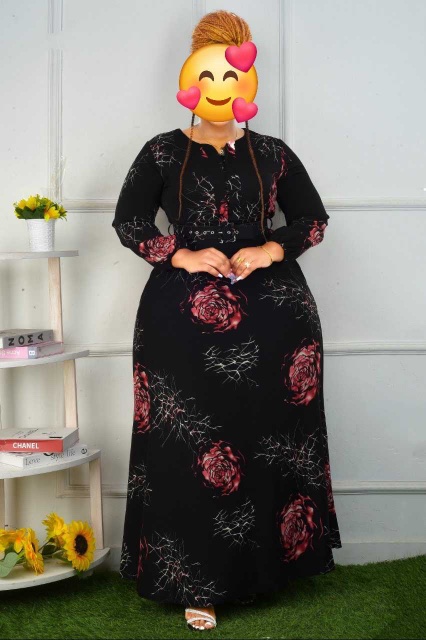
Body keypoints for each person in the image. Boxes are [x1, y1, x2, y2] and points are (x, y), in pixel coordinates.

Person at [112, 9, 342, 632]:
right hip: (180, 324)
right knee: (191, 447)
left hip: (276, 322)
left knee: (267, 441)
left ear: (247, 82)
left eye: (233, 75)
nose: (221, 87)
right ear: (191, 79)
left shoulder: (272, 153)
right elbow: (128, 220)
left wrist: (270, 249)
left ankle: (268, 571)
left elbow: (313, 220)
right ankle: (198, 582)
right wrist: (181, 254)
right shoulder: (162, 151)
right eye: (210, 75)